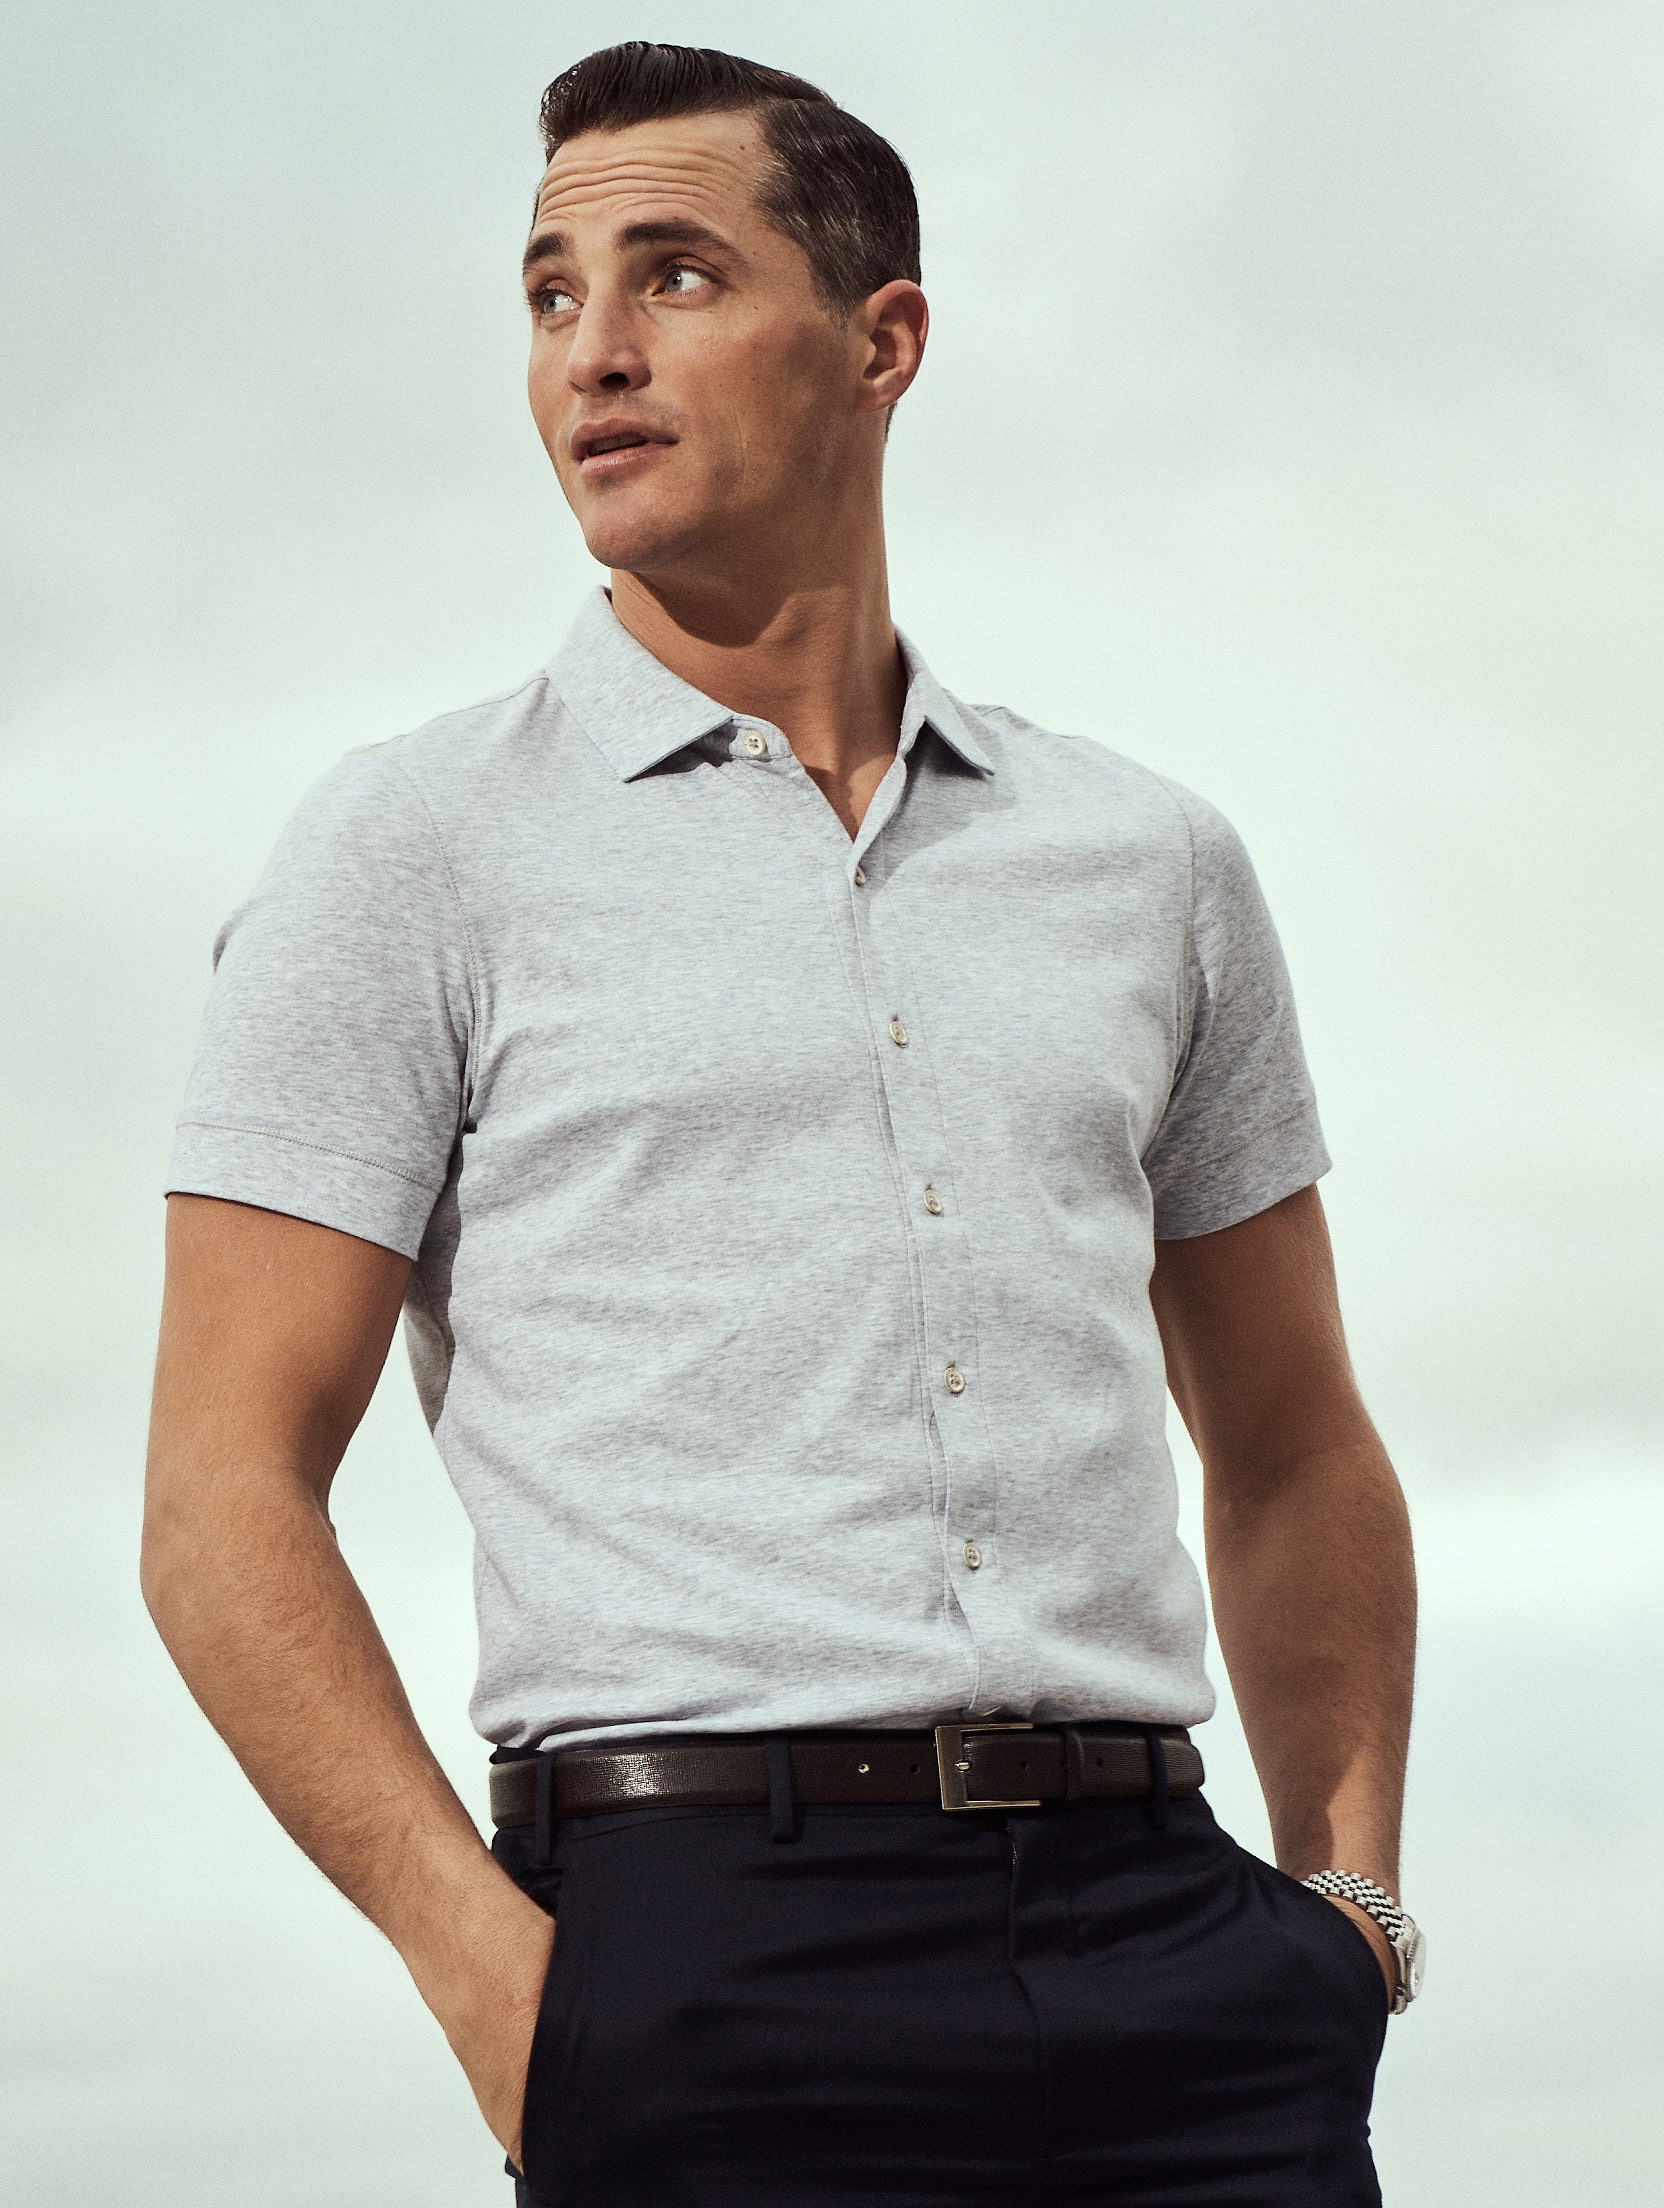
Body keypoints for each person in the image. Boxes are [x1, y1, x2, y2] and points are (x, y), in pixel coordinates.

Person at [142, 40, 1420, 2208]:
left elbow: (1294, 1440)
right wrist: (496, 1985)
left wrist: (1346, 1913)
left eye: (676, 274)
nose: (593, 352)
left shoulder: (1149, 861)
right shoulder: (409, 851)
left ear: (879, 341)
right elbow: (217, 1497)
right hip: (699, 1969)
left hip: (1182, 1971)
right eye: (549, 295)